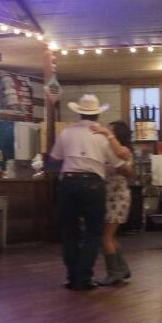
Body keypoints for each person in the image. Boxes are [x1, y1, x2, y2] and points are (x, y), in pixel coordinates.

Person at [48, 94, 131, 291]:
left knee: (69, 232)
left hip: (67, 183)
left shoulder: (67, 133)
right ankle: (83, 278)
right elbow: (120, 162)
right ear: (96, 115)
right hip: (93, 184)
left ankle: (71, 276)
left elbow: (53, 158)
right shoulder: (101, 135)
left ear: (79, 113)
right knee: (93, 233)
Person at [95, 121, 135, 286]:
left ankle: (114, 273)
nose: (106, 133)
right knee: (110, 236)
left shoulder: (123, 150)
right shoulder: (110, 151)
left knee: (106, 237)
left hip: (117, 196)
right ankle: (122, 268)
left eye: (109, 131)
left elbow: (126, 169)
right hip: (113, 195)